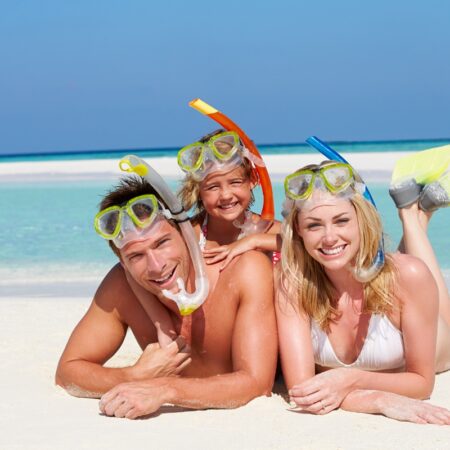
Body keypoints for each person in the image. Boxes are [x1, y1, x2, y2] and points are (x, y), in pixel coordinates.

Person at [55, 176, 277, 419]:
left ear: (185, 232)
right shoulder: (121, 286)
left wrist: (164, 389)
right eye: (136, 256)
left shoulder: (244, 271)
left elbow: (257, 383)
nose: (156, 265)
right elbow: (67, 372)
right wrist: (133, 376)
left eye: (162, 243)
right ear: (123, 262)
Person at [275, 159, 450, 424]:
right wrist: (378, 399)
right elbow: (304, 391)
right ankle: (417, 213)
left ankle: (412, 216)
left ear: (361, 219)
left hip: (439, 343)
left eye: (341, 220)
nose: (329, 237)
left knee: (416, 274)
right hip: (397, 304)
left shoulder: (407, 277)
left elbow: (422, 384)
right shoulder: (294, 285)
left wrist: (349, 378)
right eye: (314, 225)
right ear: (298, 230)